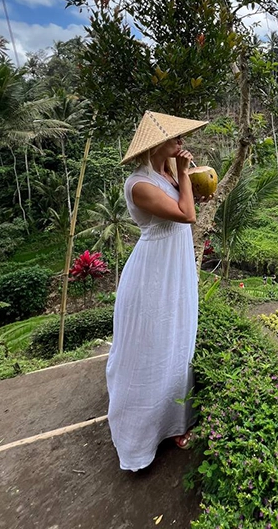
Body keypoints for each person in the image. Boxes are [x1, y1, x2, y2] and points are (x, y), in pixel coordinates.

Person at [106, 110, 209, 472]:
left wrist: (187, 179)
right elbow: (187, 215)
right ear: (157, 144)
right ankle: (140, 435)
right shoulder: (139, 184)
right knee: (150, 346)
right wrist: (184, 174)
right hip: (153, 273)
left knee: (177, 339)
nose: (182, 143)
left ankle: (174, 421)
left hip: (175, 266)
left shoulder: (164, 174)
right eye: (176, 138)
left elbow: (190, 205)